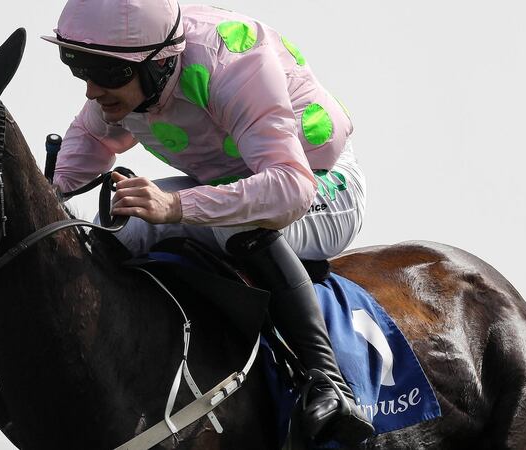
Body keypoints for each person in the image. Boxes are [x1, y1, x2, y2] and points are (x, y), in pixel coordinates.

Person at [42, 0, 372, 444]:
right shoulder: (128, 79)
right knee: (114, 223)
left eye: (106, 74)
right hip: (228, 184)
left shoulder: (232, 64)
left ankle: (328, 382)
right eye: (80, 68)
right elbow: (83, 151)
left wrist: (176, 207)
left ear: (159, 63)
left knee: (236, 222)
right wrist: (45, 195)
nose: (91, 90)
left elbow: (290, 187)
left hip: (319, 184)